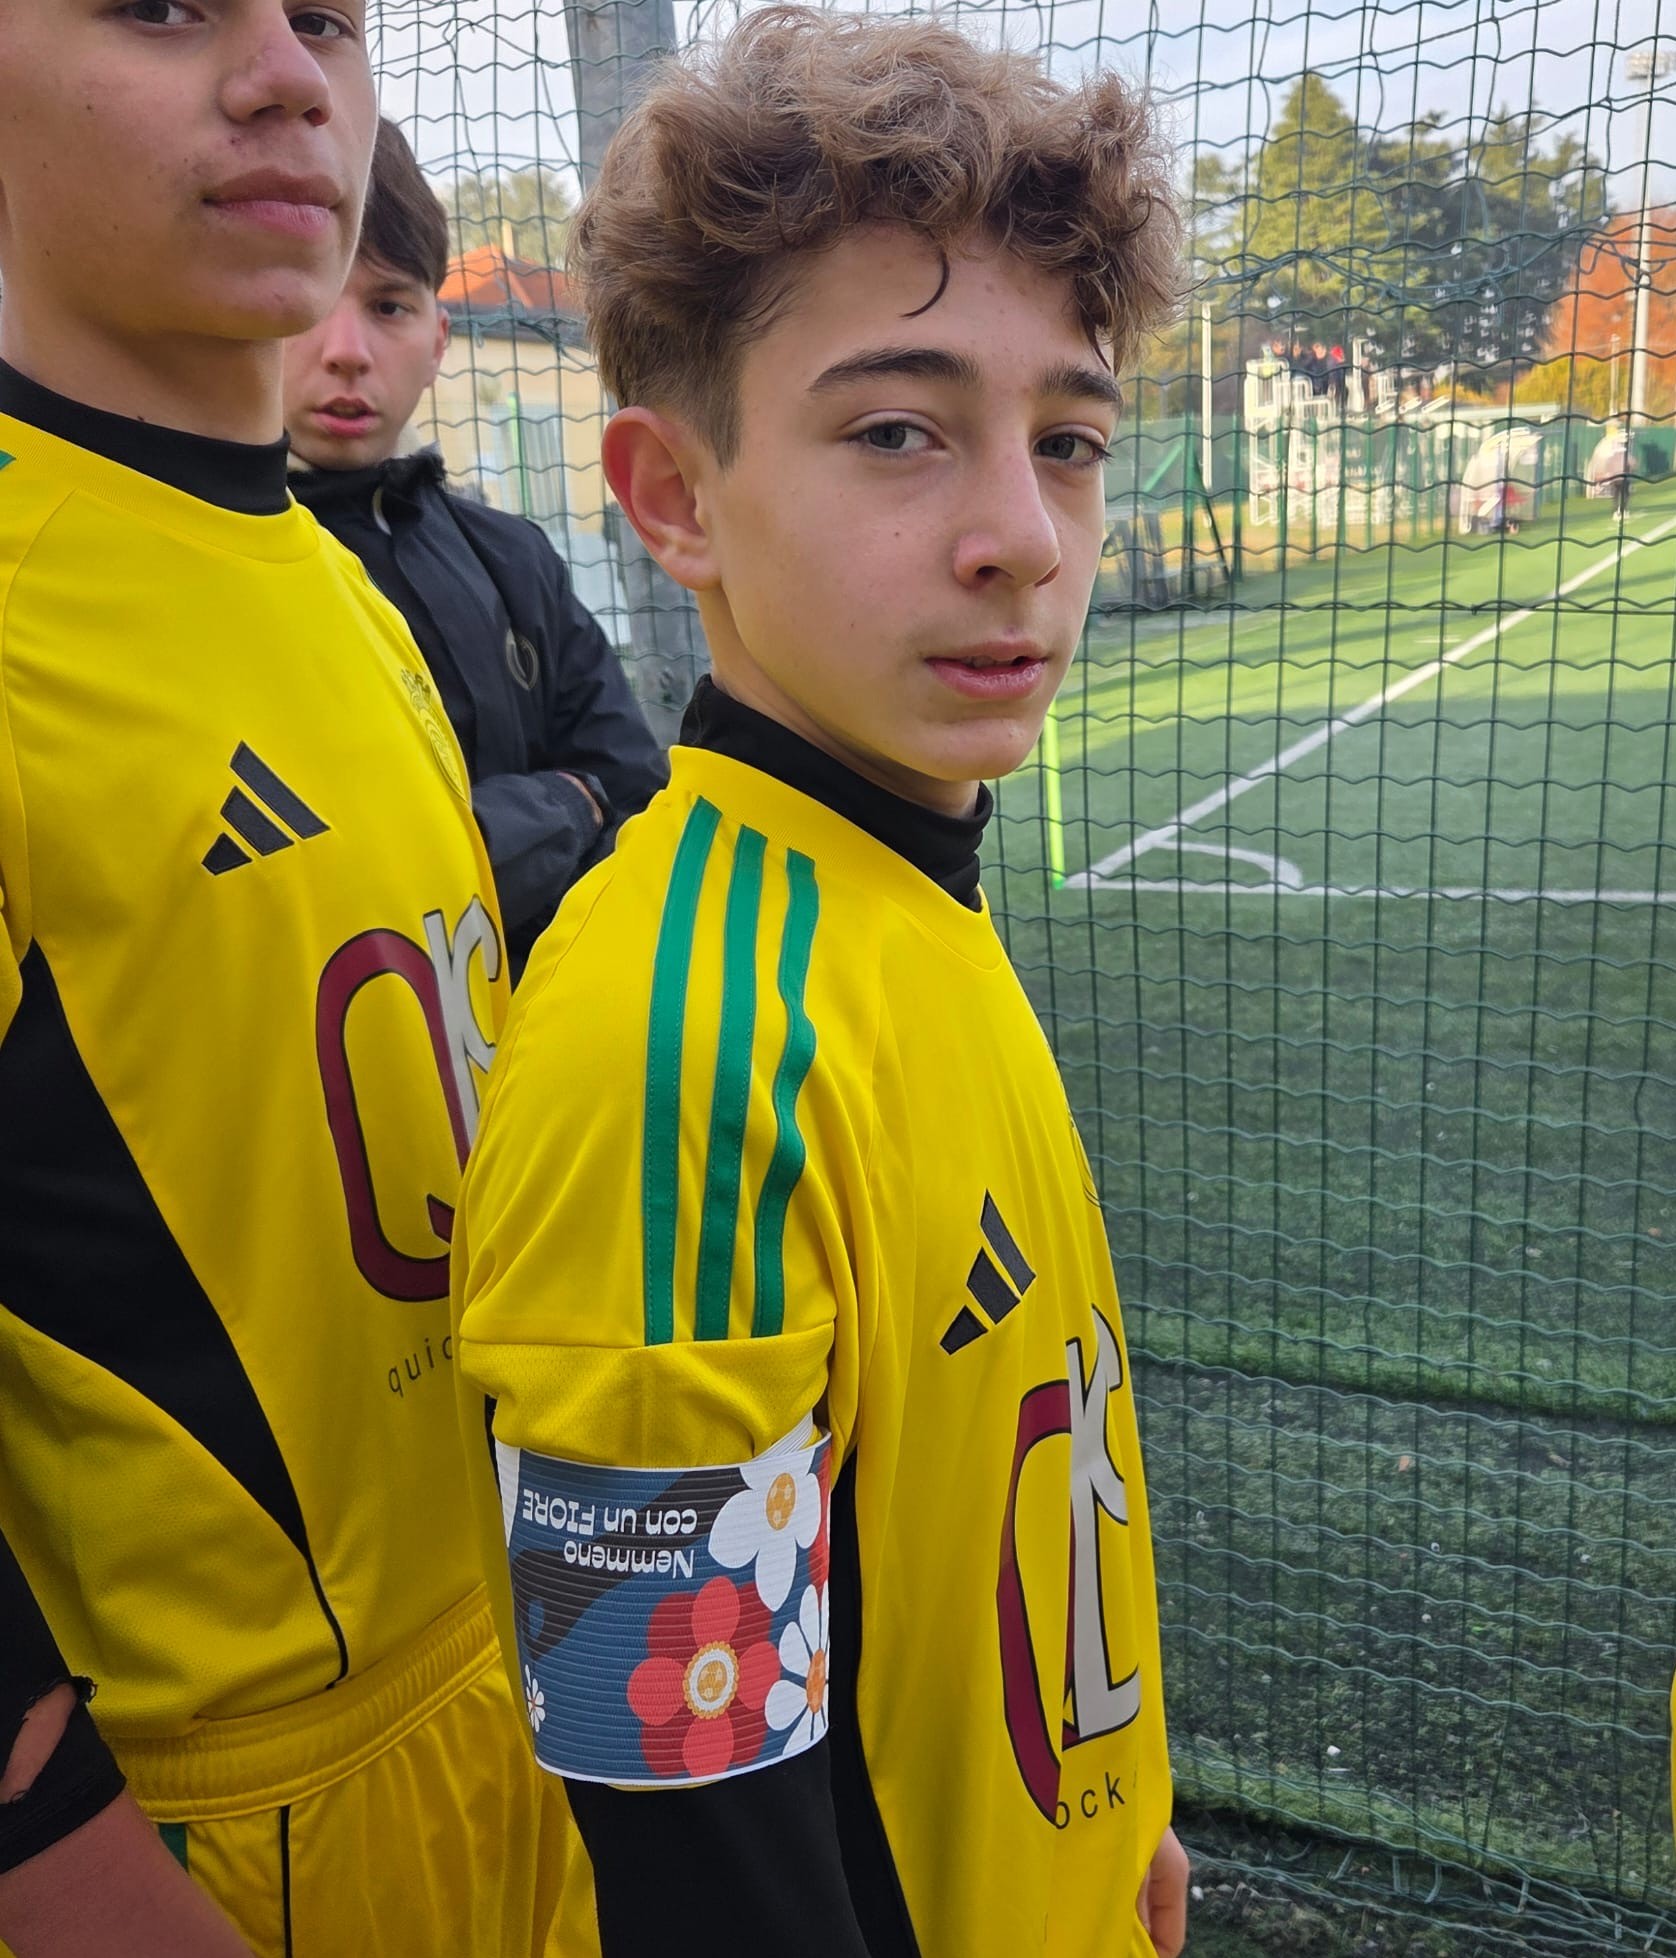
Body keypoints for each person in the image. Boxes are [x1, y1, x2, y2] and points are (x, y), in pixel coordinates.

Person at [452, 9, 1190, 1955]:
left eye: (1067, 441)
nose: (1020, 537)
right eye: (895, 431)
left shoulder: (898, 882)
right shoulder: (684, 1038)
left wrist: (1102, 1834)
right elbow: (687, 1840)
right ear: (671, 496)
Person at [0, 7, 557, 1955]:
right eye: (163, 5)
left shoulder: (339, 579)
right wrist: (76, 1880)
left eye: (326, 15)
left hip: (524, 1686)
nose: (287, 76)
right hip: (226, 1815)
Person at [286, 121, 666, 979]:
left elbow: (636, 795)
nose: (346, 352)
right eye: (313, 303)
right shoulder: (221, 567)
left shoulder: (512, 557)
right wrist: (560, 805)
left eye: (388, 306)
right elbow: (329, 885)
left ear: (438, 340)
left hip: (545, 1025)